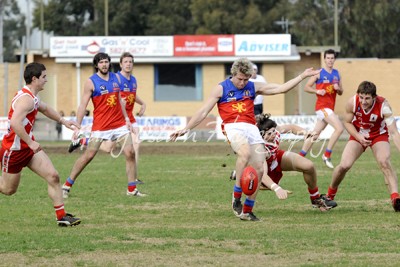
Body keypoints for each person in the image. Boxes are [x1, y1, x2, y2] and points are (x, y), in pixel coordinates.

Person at [170, 57, 321, 221]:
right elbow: (203, 112)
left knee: (260, 168)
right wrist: (186, 129)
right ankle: (236, 196)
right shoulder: (221, 89)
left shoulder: (253, 87)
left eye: (246, 79)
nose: (242, 83)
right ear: (233, 74)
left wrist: (302, 76)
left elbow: (281, 89)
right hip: (232, 126)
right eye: (240, 79)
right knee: (245, 152)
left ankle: (247, 210)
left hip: (251, 127)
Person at [0, 62, 81, 226]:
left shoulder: (33, 97)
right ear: (35, 78)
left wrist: (64, 121)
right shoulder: (26, 100)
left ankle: (61, 217)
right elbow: (15, 123)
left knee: (53, 176)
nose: (46, 80)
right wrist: (30, 142)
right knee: (8, 190)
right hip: (14, 150)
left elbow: (45, 108)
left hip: (28, 149)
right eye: (44, 77)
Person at [62, 52, 145, 199]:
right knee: (89, 156)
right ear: (96, 65)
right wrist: (77, 126)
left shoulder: (115, 78)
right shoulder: (91, 82)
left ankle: (132, 189)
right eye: (101, 62)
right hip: (101, 127)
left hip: (119, 124)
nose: (104, 64)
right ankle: (67, 185)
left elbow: (120, 99)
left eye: (106, 62)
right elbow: (82, 105)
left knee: (130, 152)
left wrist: (126, 118)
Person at [326, 81, 400, 211]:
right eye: (361, 97)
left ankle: (396, 199)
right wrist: (359, 137)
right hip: (358, 134)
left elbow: (394, 132)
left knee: (384, 162)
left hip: (378, 135)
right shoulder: (352, 102)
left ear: (374, 97)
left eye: (367, 98)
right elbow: (347, 123)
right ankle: (328, 197)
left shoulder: (384, 105)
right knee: (344, 165)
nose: (363, 101)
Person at [256, 114, 336, 210]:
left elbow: (291, 128)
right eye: (269, 134)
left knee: (309, 166)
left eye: (273, 131)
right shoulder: (260, 148)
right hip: (264, 164)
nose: (273, 134)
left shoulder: (273, 129)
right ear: (261, 135)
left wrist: (304, 132)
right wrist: (276, 188)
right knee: (255, 180)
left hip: (275, 157)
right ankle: (242, 177)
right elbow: (263, 174)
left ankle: (316, 199)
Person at [299, 49, 344, 169]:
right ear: (324, 59)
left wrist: (338, 88)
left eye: (332, 58)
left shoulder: (337, 74)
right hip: (322, 107)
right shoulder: (319, 73)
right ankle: (326, 155)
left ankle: (299, 157)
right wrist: (317, 90)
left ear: (334, 59)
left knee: (314, 135)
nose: (330, 60)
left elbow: (341, 92)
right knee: (339, 128)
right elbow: (306, 87)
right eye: (328, 58)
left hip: (329, 108)